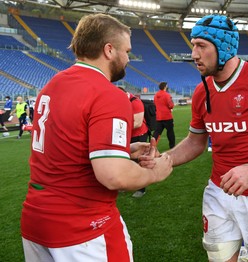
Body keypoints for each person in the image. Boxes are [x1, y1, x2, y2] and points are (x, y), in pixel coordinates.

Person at [20, 13, 173, 262]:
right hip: (83, 227)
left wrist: (125, 149)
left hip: (37, 220)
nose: (128, 59)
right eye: (127, 51)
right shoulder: (106, 94)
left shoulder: (53, 84)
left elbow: (66, 145)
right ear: (109, 50)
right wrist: (155, 174)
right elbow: (114, 175)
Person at [154, 14, 248, 262]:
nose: (194, 54)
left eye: (201, 46)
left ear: (223, 46)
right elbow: (195, 142)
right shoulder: (202, 91)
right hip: (218, 193)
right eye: (193, 46)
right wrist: (163, 158)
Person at [128, 92, 150, 198]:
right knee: (125, 159)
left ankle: (141, 189)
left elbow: (137, 123)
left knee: (138, 160)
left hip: (138, 134)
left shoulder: (135, 102)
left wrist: (118, 126)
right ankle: (127, 183)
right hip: (127, 134)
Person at [153, 81, 175, 149]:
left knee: (157, 133)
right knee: (170, 132)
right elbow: (171, 105)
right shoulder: (167, 95)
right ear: (165, 87)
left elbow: (154, 104)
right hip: (167, 116)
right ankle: (172, 147)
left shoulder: (156, 95)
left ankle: (152, 146)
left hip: (159, 117)